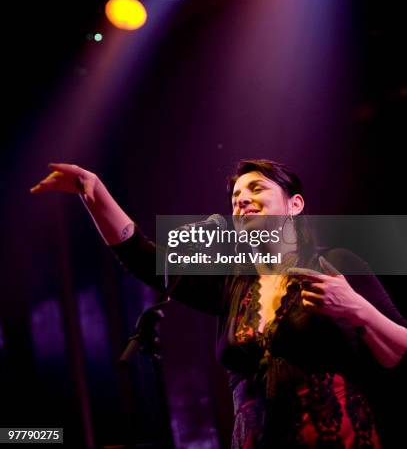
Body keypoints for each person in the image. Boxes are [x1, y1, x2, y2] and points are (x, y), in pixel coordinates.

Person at [30, 159, 407, 447]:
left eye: (256, 189)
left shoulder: (335, 262)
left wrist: (357, 308)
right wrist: (92, 191)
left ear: (294, 204)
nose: (242, 200)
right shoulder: (233, 283)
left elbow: (399, 350)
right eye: (235, 198)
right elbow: (147, 259)